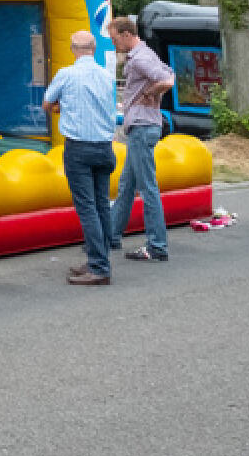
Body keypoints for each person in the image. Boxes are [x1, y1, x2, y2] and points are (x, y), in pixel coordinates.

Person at [43, 30, 119, 285]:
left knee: (86, 207)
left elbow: (47, 103)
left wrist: (61, 107)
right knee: (102, 204)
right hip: (104, 146)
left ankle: (99, 267)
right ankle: (101, 257)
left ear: (73, 49)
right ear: (94, 49)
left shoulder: (67, 74)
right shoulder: (106, 75)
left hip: (79, 147)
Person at [108, 15, 175, 262]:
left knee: (147, 187)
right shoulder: (146, 53)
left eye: (115, 39)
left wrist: (151, 91)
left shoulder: (141, 58)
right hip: (144, 126)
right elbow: (170, 73)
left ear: (127, 35)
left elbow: (166, 80)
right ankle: (111, 235)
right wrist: (153, 90)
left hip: (142, 126)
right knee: (127, 184)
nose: (114, 44)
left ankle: (157, 245)